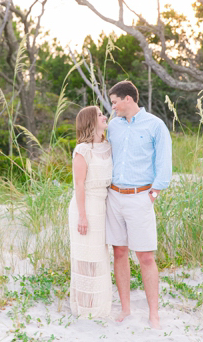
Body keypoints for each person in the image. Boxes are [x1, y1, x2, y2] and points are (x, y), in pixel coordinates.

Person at [106, 80, 172, 329]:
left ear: (128, 99)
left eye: (115, 102)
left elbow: (164, 162)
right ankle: (125, 308)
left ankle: (153, 313)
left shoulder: (155, 125)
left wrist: (153, 194)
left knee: (145, 256)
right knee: (119, 252)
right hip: (114, 197)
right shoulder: (113, 126)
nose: (113, 107)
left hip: (140, 197)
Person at [68, 105, 113, 318]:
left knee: (101, 256)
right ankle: (86, 308)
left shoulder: (108, 146)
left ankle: (98, 305)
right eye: (99, 115)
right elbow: (79, 185)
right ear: (90, 122)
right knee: (86, 257)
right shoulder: (82, 150)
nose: (104, 116)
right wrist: (82, 216)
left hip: (103, 206)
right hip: (84, 207)